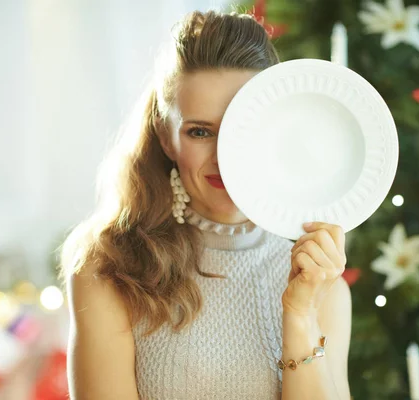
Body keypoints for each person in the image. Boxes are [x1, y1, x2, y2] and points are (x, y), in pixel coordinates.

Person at [60, 9, 351, 400]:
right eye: (200, 132)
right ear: (166, 138)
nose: (225, 156)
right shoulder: (111, 264)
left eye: (242, 128)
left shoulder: (319, 282)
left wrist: (299, 316)